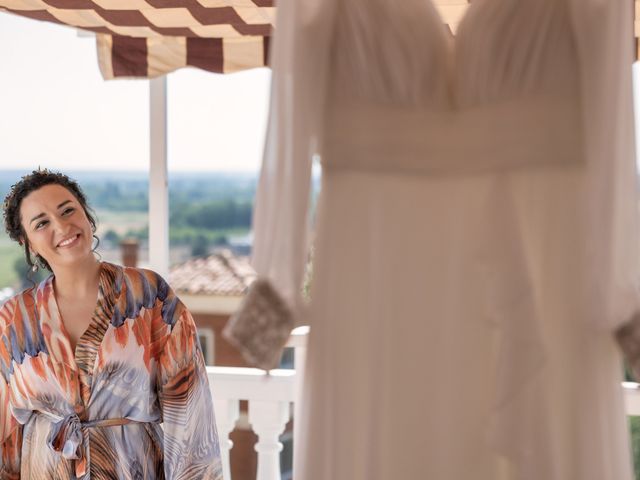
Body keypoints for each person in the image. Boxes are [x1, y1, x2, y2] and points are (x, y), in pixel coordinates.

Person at [0, 169, 223, 479]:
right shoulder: (13, 320)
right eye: (42, 223)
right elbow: (6, 436)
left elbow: (190, 414)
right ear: (29, 243)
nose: (62, 226)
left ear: (87, 216)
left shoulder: (148, 296)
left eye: (68, 210)